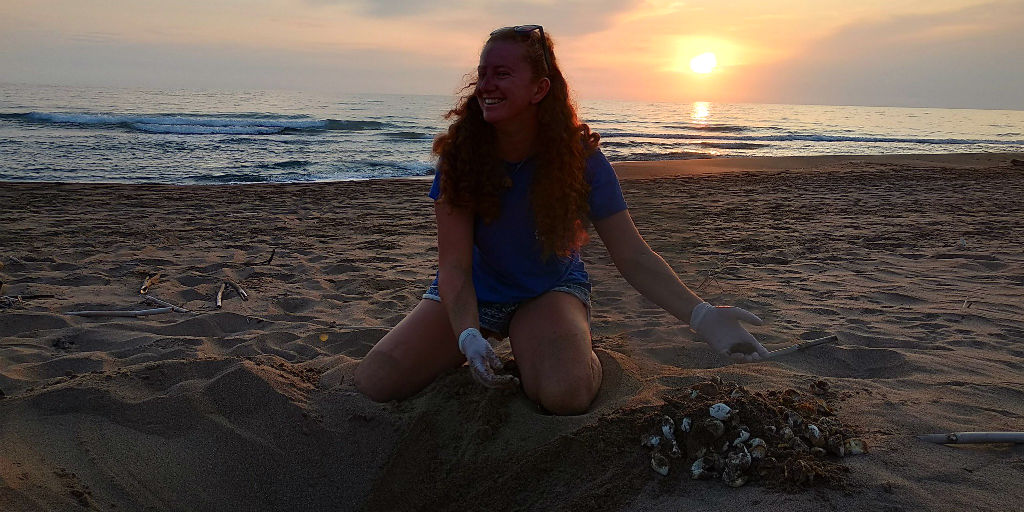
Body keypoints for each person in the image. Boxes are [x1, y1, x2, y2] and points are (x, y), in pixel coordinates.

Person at [354, 25, 769, 415]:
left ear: (539, 88)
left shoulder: (580, 161)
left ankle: (569, 347)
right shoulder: (461, 157)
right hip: (475, 292)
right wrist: (467, 335)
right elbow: (454, 267)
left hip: (549, 290)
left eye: (501, 73)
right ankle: (524, 346)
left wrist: (703, 316)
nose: (485, 86)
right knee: (378, 382)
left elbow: (632, 256)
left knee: (565, 394)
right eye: (482, 74)